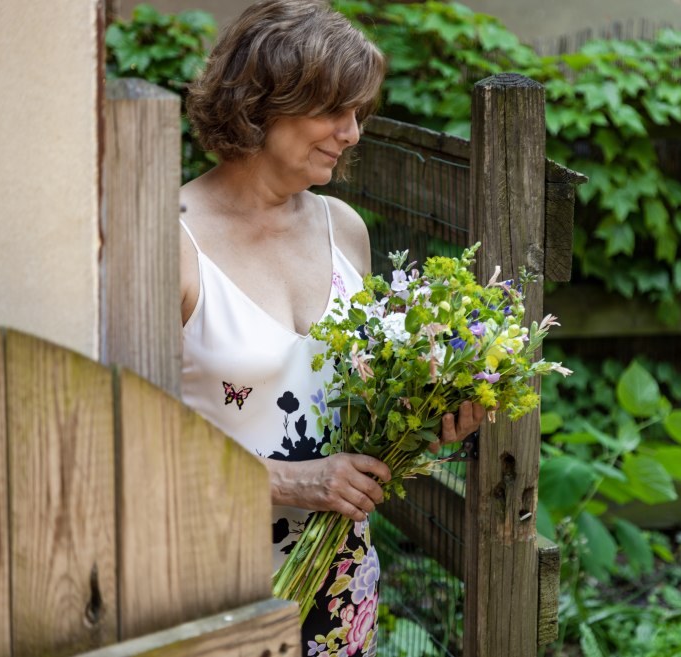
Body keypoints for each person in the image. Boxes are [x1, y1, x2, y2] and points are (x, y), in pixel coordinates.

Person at [177, 2, 485, 655]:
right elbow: (133, 445)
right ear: (260, 103)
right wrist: (291, 481)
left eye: (359, 113)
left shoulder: (344, 230)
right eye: (332, 111)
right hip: (209, 584)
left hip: (339, 580)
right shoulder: (169, 240)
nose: (351, 132)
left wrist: (430, 416)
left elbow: (354, 408)